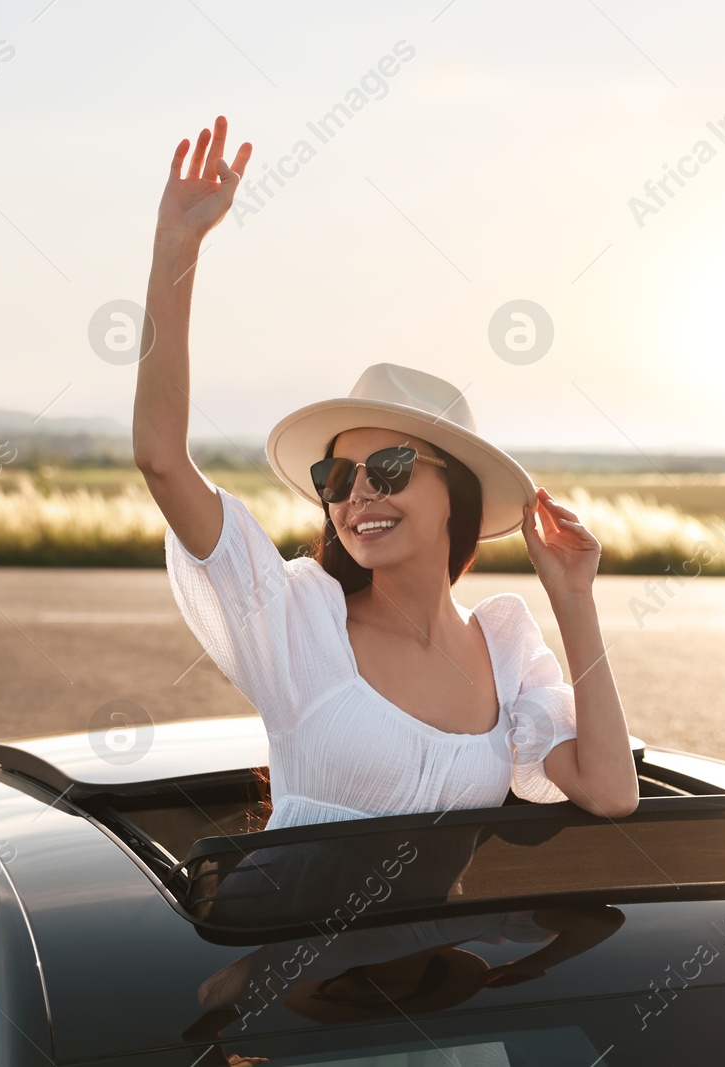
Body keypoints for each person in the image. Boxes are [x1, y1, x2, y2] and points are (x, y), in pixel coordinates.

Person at [133, 115, 639, 835]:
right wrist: (175, 249)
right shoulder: (295, 624)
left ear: (452, 490)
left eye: (391, 468)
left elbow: (613, 792)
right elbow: (160, 458)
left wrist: (576, 601)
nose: (358, 492)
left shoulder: (507, 653)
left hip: (447, 954)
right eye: (337, 476)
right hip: (302, 951)